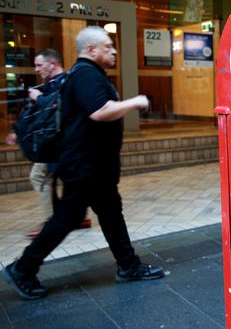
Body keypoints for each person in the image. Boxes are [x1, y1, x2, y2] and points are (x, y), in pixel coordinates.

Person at [2, 26, 164, 300]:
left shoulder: (83, 74)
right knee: (68, 217)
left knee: (110, 212)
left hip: (93, 165)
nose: (113, 51)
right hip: (84, 165)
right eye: (108, 46)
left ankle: (128, 265)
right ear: (91, 50)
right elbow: (100, 111)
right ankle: (23, 268)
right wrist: (136, 102)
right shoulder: (86, 74)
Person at [4, 49, 93, 237]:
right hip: (59, 147)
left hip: (58, 147)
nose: (36, 69)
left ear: (52, 64)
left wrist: (39, 99)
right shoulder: (53, 84)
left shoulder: (62, 84)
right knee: (62, 180)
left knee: (39, 176)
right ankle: (76, 217)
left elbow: (57, 109)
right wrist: (16, 132)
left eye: (39, 65)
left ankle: (52, 222)